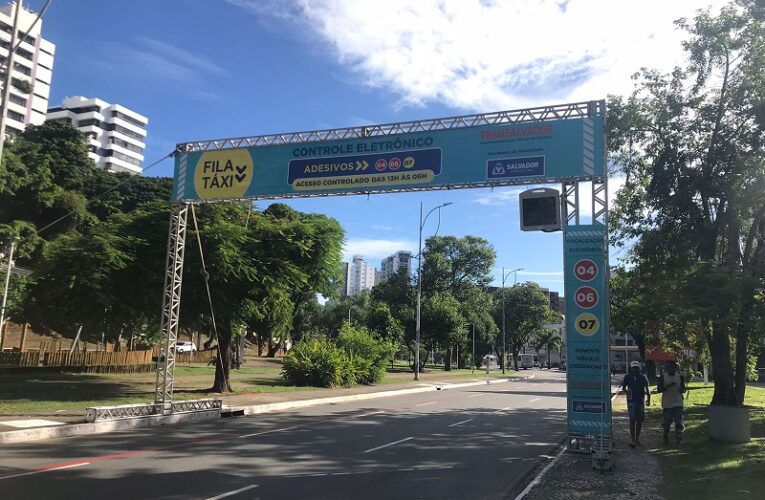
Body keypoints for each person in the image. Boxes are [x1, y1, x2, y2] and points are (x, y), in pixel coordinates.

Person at [621, 360, 650, 447]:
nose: (635, 370)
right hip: (631, 402)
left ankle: (637, 438)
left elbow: (647, 389)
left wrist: (648, 399)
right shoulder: (627, 377)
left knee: (639, 421)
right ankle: (633, 439)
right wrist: (627, 393)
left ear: (639, 369)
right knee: (632, 420)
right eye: (633, 368)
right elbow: (623, 387)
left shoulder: (643, 377)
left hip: (640, 401)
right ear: (631, 369)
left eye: (637, 368)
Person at [657, 360, 686, 448]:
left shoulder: (680, 377)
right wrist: (668, 386)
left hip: (678, 403)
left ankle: (678, 439)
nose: (670, 369)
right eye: (668, 367)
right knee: (667, 423)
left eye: (672, 367)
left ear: (675, 368)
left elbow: (683, 389)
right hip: (667, 404)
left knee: (679, 422)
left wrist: (682, 390)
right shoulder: (663, 377)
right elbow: (659, 389)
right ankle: (665, 435)